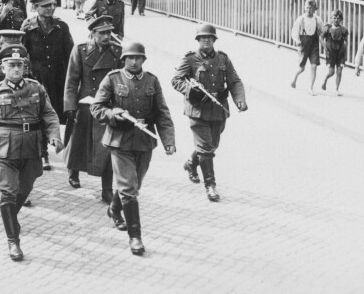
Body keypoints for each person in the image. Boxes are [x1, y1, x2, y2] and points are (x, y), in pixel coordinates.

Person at [0, 46, 63, 262]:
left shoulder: (36, 88)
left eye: (20, 65)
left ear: (24, 67)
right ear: (3, 68)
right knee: (8, 193)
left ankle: (10, 219)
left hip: (31, 148)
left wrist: (55, 135)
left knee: (24, 189)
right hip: (3, 150)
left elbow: (49, 114)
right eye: (12, 65)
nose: (16, 69)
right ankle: (13, 240)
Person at [90, 41, 175, 256]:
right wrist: (112, 114)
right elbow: (96, 107)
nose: (134, 62)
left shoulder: (152, 81)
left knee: (134, 185)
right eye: (130, 58)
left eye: (138, 58)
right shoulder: (112, 78)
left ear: (143, 60)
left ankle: (114, 209)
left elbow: (162, 113)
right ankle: (135, 237)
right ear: (124, 59)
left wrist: (168, 140)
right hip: (120, 140)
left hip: (144, 141)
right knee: (128, 188)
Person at [171, 23, 247, 202]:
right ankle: (210, 186)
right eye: (202, 38)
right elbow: (176, 80)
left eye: (209, 38)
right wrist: (190, 90)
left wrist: (240, 100)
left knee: (212, 145)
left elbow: (234, 81)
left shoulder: (223, 59)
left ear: (214, 40)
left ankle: (191, 164)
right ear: (198, 40)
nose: (206, 40)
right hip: (198, 110)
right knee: (206, 149)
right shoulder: (190, 59)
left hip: (218, 109)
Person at [63, 15, 122, 198]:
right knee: (78, 142)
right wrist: (69, 106)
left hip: (106, 105)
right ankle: (73, 171)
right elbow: (72, 81)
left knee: (106, 147)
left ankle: (107, 189)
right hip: (85, 103)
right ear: (93, 33)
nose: (106, 37)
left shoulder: (117, 51)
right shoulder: (80, 50)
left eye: (109, 33)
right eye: (102, 33)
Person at [22, 0, 74, 171]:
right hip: (37, 79)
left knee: (58, 114)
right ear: (36, 7)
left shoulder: (61, 27)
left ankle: (62, 148)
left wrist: (71, 80)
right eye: (45, 6)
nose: (50, 8)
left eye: (52, 5)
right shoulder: (27, 27)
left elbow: (71, 55)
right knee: (38, 115)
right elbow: (22, 54)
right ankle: (43, 152)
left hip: (58, 79)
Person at [291, 0, 323, 93]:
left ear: (315, 9)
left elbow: (322, 30)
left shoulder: (317, 19)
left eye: (311, 8)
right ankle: (294, 78)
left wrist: (321, 32)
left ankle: (311, 88)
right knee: (302, 68)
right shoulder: (301, 19)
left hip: (314, 44)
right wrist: (297, 40)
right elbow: (295, 31)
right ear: (304, 8)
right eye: (307, 8)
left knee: (314, 66)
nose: (309, 10)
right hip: (304, 44)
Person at [320, 10, 349, 94]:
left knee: (339, 71)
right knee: (331, 72)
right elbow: (321, 37)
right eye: (334, 18)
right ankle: (325, 80)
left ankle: (337, 89)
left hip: (340, 53)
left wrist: (345, 53)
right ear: (331, 19)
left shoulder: (343, 29)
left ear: (341, 19)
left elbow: (346, 41)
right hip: (331, 53)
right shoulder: (328, 28)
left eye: (338, 18)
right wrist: (325, 48)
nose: (336, 20)